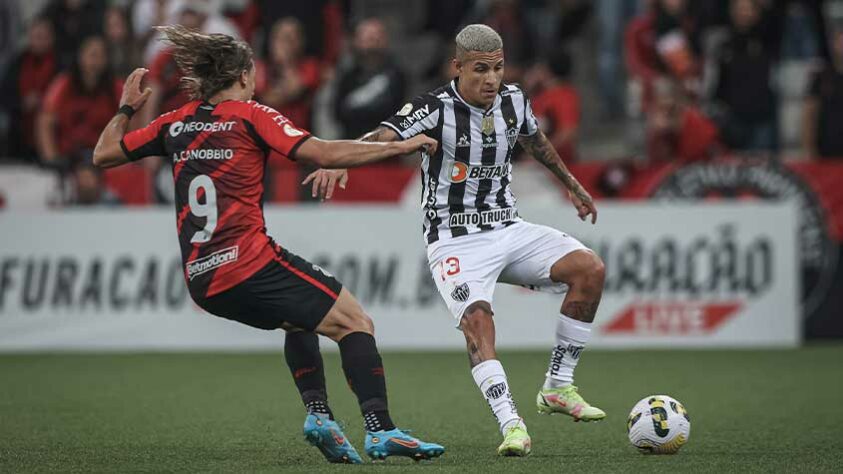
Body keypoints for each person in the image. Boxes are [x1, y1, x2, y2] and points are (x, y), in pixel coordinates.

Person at [90, 26, 443, 464]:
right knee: (355, 322)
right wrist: (403, 146)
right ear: (241, 75)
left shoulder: (174, 122)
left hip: (203, 280)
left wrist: (126, 107)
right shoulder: (249, 114)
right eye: (253, 70)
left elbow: (103, 154)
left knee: (301, 322)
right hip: (249, 263)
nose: (256, 79)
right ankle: (381, 430)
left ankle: (320, 416)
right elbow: (324, 153)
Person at [317, 24, 606, 457]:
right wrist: (343, 159)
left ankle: (558, 387)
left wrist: (572, 184)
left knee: (590, 269)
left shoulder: (514, 100)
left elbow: (536, 139)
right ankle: (512, 425)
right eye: (481, 69)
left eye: (498, 68)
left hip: (509, 227)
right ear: (458, 67)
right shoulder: (433, 107)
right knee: (478, 321)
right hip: (455, 241)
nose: (492, 79)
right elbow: (383, 136)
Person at [333, 18, 407, 139]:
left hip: (388, 146)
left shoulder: (397, 76)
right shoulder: (346, 76)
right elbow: (337, 113)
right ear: (356, 41)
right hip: (352, 145)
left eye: (377, 37)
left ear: (385, 41)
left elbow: (400, 114)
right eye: (367, 38)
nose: (373, 44)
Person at [803, 29, 843, 159]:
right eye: (840, 41)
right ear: (833, 44)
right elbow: (810, 113)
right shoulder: (822, 76)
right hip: (826, 150)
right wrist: (809, 147)